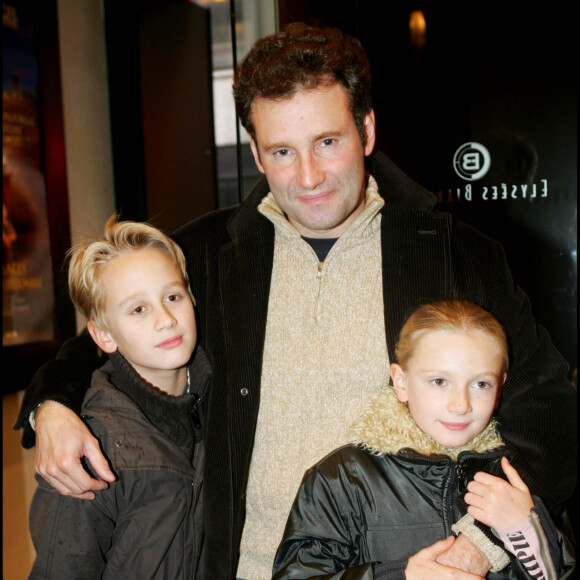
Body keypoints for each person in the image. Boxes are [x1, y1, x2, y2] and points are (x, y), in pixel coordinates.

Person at [14, 23, 576, 580]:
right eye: (282, 151)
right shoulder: (204, 257)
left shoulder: (459, 254)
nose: (308, 177)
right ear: (256, 154)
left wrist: (477, 547)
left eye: (327, 142)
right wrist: (54, 409)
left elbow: (548, 413)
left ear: (367, 131)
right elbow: (97, 339)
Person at [273, 299, 575, 579]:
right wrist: (399, 576)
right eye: (440, 381)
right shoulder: (342, 478)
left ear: (500, 389)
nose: (461, 404)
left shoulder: (512, 477)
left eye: (481, 383)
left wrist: (527, 530)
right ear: (401, 382)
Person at [27, 216, 211, 579]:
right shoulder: (89, 451)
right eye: (138, 309)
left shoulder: (224, 403)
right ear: (104, 335)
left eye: (173, 297)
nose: (165, 319)